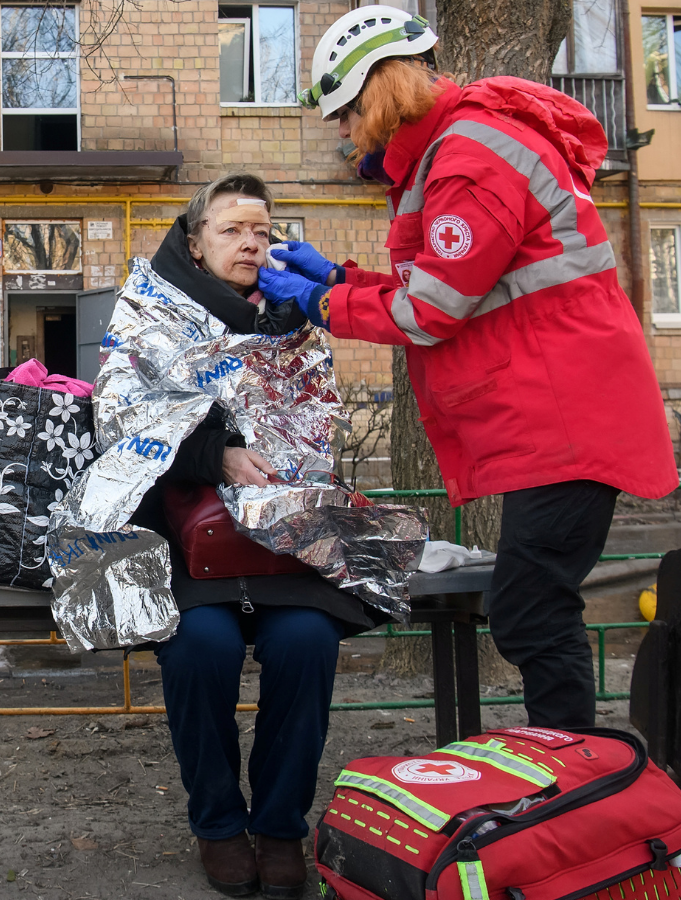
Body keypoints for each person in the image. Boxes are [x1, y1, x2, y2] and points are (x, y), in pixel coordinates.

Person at [258, 6, 678, 730]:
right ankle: (572, 774)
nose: (344, 134)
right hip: (560, 415)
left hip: (567, 423)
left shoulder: (469, 160)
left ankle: (578, 777)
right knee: (534, 604)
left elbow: (430, 313)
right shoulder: (454, 152)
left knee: (531, 608)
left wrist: (322, 304)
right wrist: (339, 279)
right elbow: (444, 287)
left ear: (377, 95)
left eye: (345, 115)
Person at [136, 172, 375, 900]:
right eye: (232, 229)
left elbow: (320, 427)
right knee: (200, 649)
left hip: (283, 548)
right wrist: (217, 454)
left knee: (306, 644)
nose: (249, 242)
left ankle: (278, 826)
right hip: (192, 549)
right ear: (194, 240)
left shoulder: (292, 319)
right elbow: (122, 427)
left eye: (262, 231)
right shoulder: (148, 314)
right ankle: (216, 825)